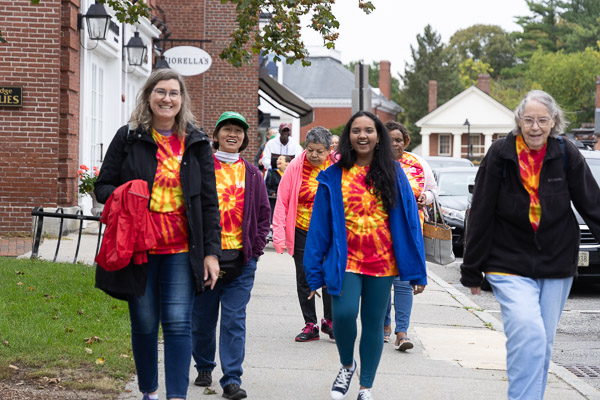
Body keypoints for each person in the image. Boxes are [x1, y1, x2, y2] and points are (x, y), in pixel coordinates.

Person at [460, 90, 600, 400]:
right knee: (529, 332)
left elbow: (593, 205)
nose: (535, 127)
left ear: (553, 122)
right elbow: (481, 211)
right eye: (528, 120)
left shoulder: (565, 153)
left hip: (556, 261)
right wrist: (471, 268)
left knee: (541, 343)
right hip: (506, 261)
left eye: (542, 120)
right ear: (519, 121)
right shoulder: (501, 153)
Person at [94, 68, 221, 400]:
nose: (167, 99)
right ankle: (149, 391)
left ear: (182, 99)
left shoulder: (196, 142)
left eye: (173, 93)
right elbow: (102, 186)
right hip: (139, 247)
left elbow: (210, 203)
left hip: (181, 249)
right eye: (160, 92)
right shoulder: (129, 137)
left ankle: (176, 396)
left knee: (178, 323)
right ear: (148, 96)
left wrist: (211, 253)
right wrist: (128, 192)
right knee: (145, 322)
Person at [303, 111, 427, 400]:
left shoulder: (394, 173)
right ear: (348, 136)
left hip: (383, 263)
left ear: (378, 136)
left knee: (373, 324)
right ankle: (348, 365)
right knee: (344, 315)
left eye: (369, 130)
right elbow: (319, 227)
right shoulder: (333, 175)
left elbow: (410, 222)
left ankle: (365, 387)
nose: (362, 135)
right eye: (356, 130)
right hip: (345, 261)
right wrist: (313, 273)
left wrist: (417, 271)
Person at [191, 111, 271, 400]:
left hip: (241, 261)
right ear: (216, 135)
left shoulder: (252, 174)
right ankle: (203, 365)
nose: (232, 134)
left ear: (245, 138)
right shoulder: (202, 168)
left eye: (238, 130)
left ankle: (232, 379)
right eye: (227, 129)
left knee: (234, 320)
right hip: (206, 259)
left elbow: (263, 215)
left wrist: (255, 251)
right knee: (202, 319)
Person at [273, 127, 336, 342]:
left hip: (328, 233)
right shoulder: (295, 166)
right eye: (310, 150)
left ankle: (330, 321)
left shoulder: (337, 166)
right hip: (302, 230)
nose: (314, 155)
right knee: (305, 277)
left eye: (319, 151)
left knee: (330, 275)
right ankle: (311, 324)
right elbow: (282, 200)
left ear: (329, 149)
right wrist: (279, 235)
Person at [383, 121, 436, 351]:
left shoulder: (418, 163)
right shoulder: (374, 165)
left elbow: (433, 190)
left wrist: (427, 197)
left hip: (411, 231)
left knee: (404, 282)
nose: (395, 144)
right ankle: (384, 323)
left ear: (406, 141)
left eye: (399, 140)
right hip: (381, 232)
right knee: (383, 281)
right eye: (390, 139)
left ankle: (402, 332)